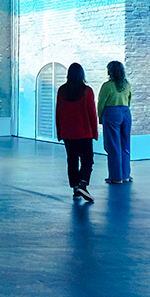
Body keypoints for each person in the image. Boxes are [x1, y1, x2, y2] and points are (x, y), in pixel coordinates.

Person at [55, 63, 97, 203]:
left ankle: (75, 188)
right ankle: (83, 184)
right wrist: (95, 132)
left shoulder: (62, 90)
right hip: (84, 132)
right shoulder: (87, 91)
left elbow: (58, 112)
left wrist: (59, 132)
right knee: (87, 159)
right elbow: (92, 113)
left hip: (68, 133)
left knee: (72, 160)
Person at [96, 60, 133, 184]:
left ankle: (116, 177)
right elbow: (129, 100)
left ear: (110, 71)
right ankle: (126, 175)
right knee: (125, 145)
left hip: (112, 113)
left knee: (113, 146)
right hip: (126, 113)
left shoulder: (107, 86)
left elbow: (101, 103)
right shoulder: (127, 85)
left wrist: (100, 117)